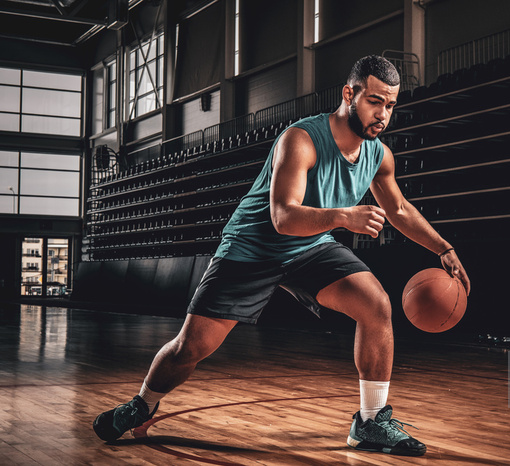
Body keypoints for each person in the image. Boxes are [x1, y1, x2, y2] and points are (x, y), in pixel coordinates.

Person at [93, 55, 470, 457]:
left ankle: (371, 422)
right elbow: (283, 217)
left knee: (375, 304)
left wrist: (442, 248)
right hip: (253, 247)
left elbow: (398, 210)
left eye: (390, 105)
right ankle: (142, 404)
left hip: (311, 247)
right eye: (375, 101)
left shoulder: (379, 155)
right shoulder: (302, 139)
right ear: (349, 94)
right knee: (191, 348)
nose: (383, 114)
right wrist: (344, 216)